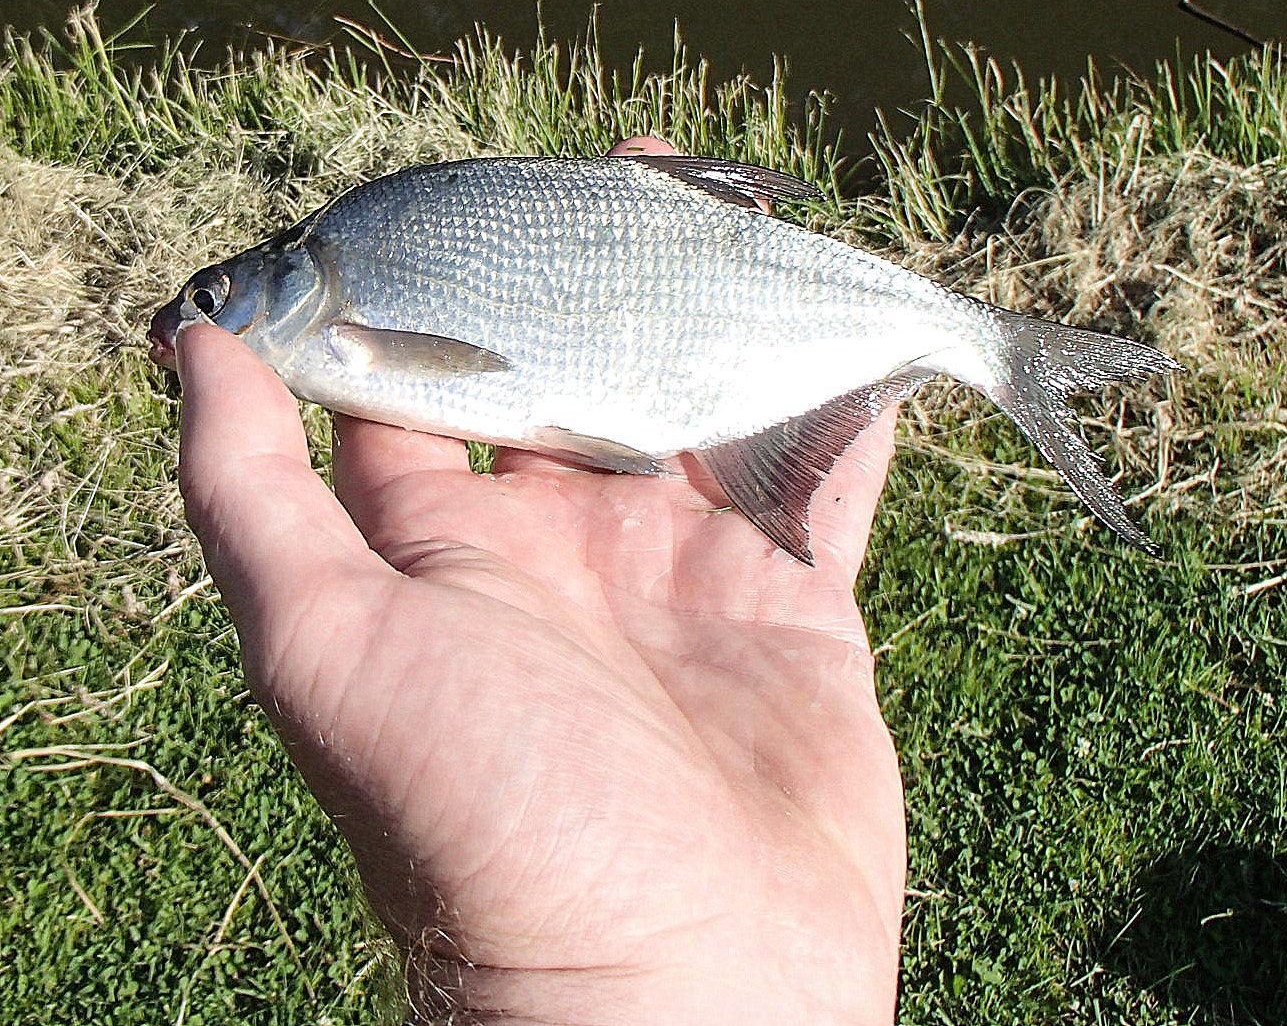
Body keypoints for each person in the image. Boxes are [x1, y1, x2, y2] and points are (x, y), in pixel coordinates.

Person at [174, 138, 907, 1025]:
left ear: (281, 278)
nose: (204, 321)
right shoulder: (349, 253)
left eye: (213, 300)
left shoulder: (336, 257)